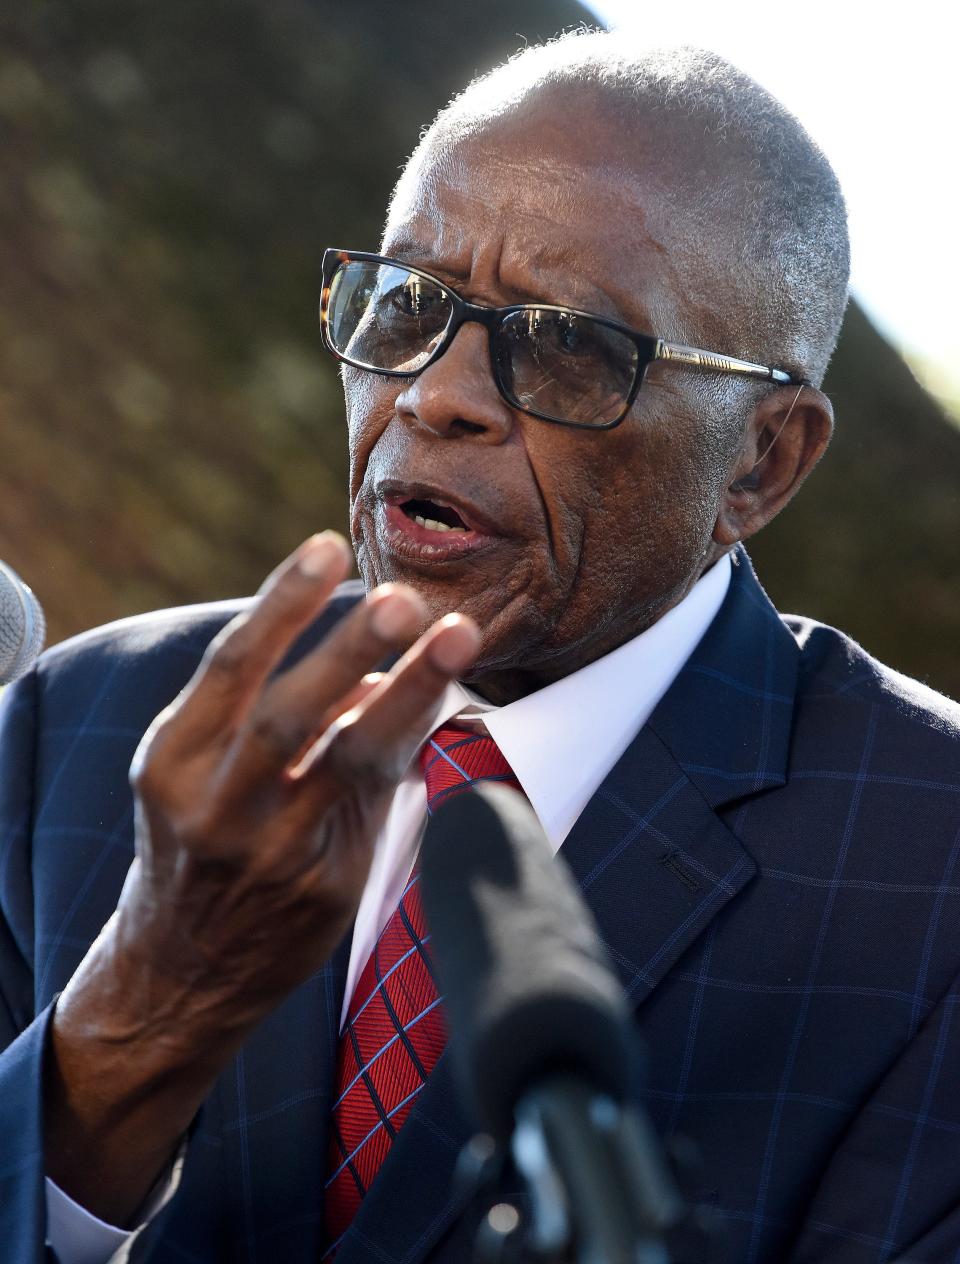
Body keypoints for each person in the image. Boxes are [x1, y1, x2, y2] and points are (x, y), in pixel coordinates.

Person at [1, 30, 959, 1264]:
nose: (433, 394)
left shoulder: (930, 874)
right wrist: (135, 1024)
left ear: (762, 460)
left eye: (566, 341)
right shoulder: (80, 727)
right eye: (408, 304)